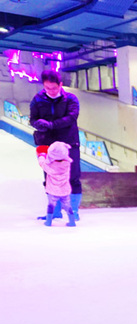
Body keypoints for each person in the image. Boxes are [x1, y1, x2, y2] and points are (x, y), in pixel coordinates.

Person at [30, 69, 82, 222]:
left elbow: (71, 117)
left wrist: (52, 125)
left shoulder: (71, 99)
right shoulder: (38, 99)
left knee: (73, 176)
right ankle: (54, 211)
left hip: (69, 142)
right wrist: (37, 124)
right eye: (47, 88)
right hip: (48, 143)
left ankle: (73, 210)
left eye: (53, 88)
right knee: (50, 177)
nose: (51, 91)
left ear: (60, 84)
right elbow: (33, 118)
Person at [36, 142, 75, 227]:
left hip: (53, 190)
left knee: (51, 205)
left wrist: (42, 155)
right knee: (68, 206)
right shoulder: (67, 164)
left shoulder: (50, 165)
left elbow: (42, 163)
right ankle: (72, 221)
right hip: (65, 190)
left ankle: (48, 222)